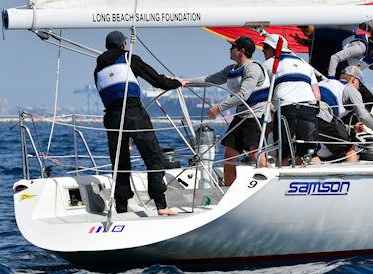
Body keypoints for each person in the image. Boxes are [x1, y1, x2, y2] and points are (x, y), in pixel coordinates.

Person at [94, 31, 186, 215]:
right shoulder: (129, 58)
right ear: (122, 44)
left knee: (120, 163)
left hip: (111, 117)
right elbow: (157, 80)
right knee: (153, 158)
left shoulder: (97, 69)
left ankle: (121, 208)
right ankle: (161, 206)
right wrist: (177, 83)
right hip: (133, 113)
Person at [189, 36, 270, 185]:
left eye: (233, 47)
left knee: (256, 153)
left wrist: (218, 108)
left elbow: (243, 95)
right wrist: (185, 83)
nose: (229, 49)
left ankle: (270, 186)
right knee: (228, 156)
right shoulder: (230, 69)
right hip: (241, 116)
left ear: (242, 51)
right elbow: (210, 80)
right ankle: (228, 190)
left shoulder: (252, 68)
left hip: (255, 115)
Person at [260, 34, 321, 164]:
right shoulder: (305, 64)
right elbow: (317, 95)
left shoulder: (268, 64)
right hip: (309, 108)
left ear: (274, 48)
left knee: (283, 154)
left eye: (265, 47)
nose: (262, 50)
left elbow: (263, 92)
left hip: (285, 109)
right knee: (310, 153)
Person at [317, 66, 373, 162]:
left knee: (308, 151)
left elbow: (331, 120)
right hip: (322, 117)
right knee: (349, 148)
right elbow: (363, 115)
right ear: (354, 80)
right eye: (359, 84)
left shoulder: (325, 83)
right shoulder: (349, 87)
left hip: (307, 116)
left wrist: (351, 128)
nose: (358, 88)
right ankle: (351, 175)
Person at [327, 27, 373, 107]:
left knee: (368, 99)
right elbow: (334, 57)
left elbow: (369, 63)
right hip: (335, 73)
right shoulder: (360, 48)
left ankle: (357, 118)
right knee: (356, 97)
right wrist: (331, 80)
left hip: (348, 76)